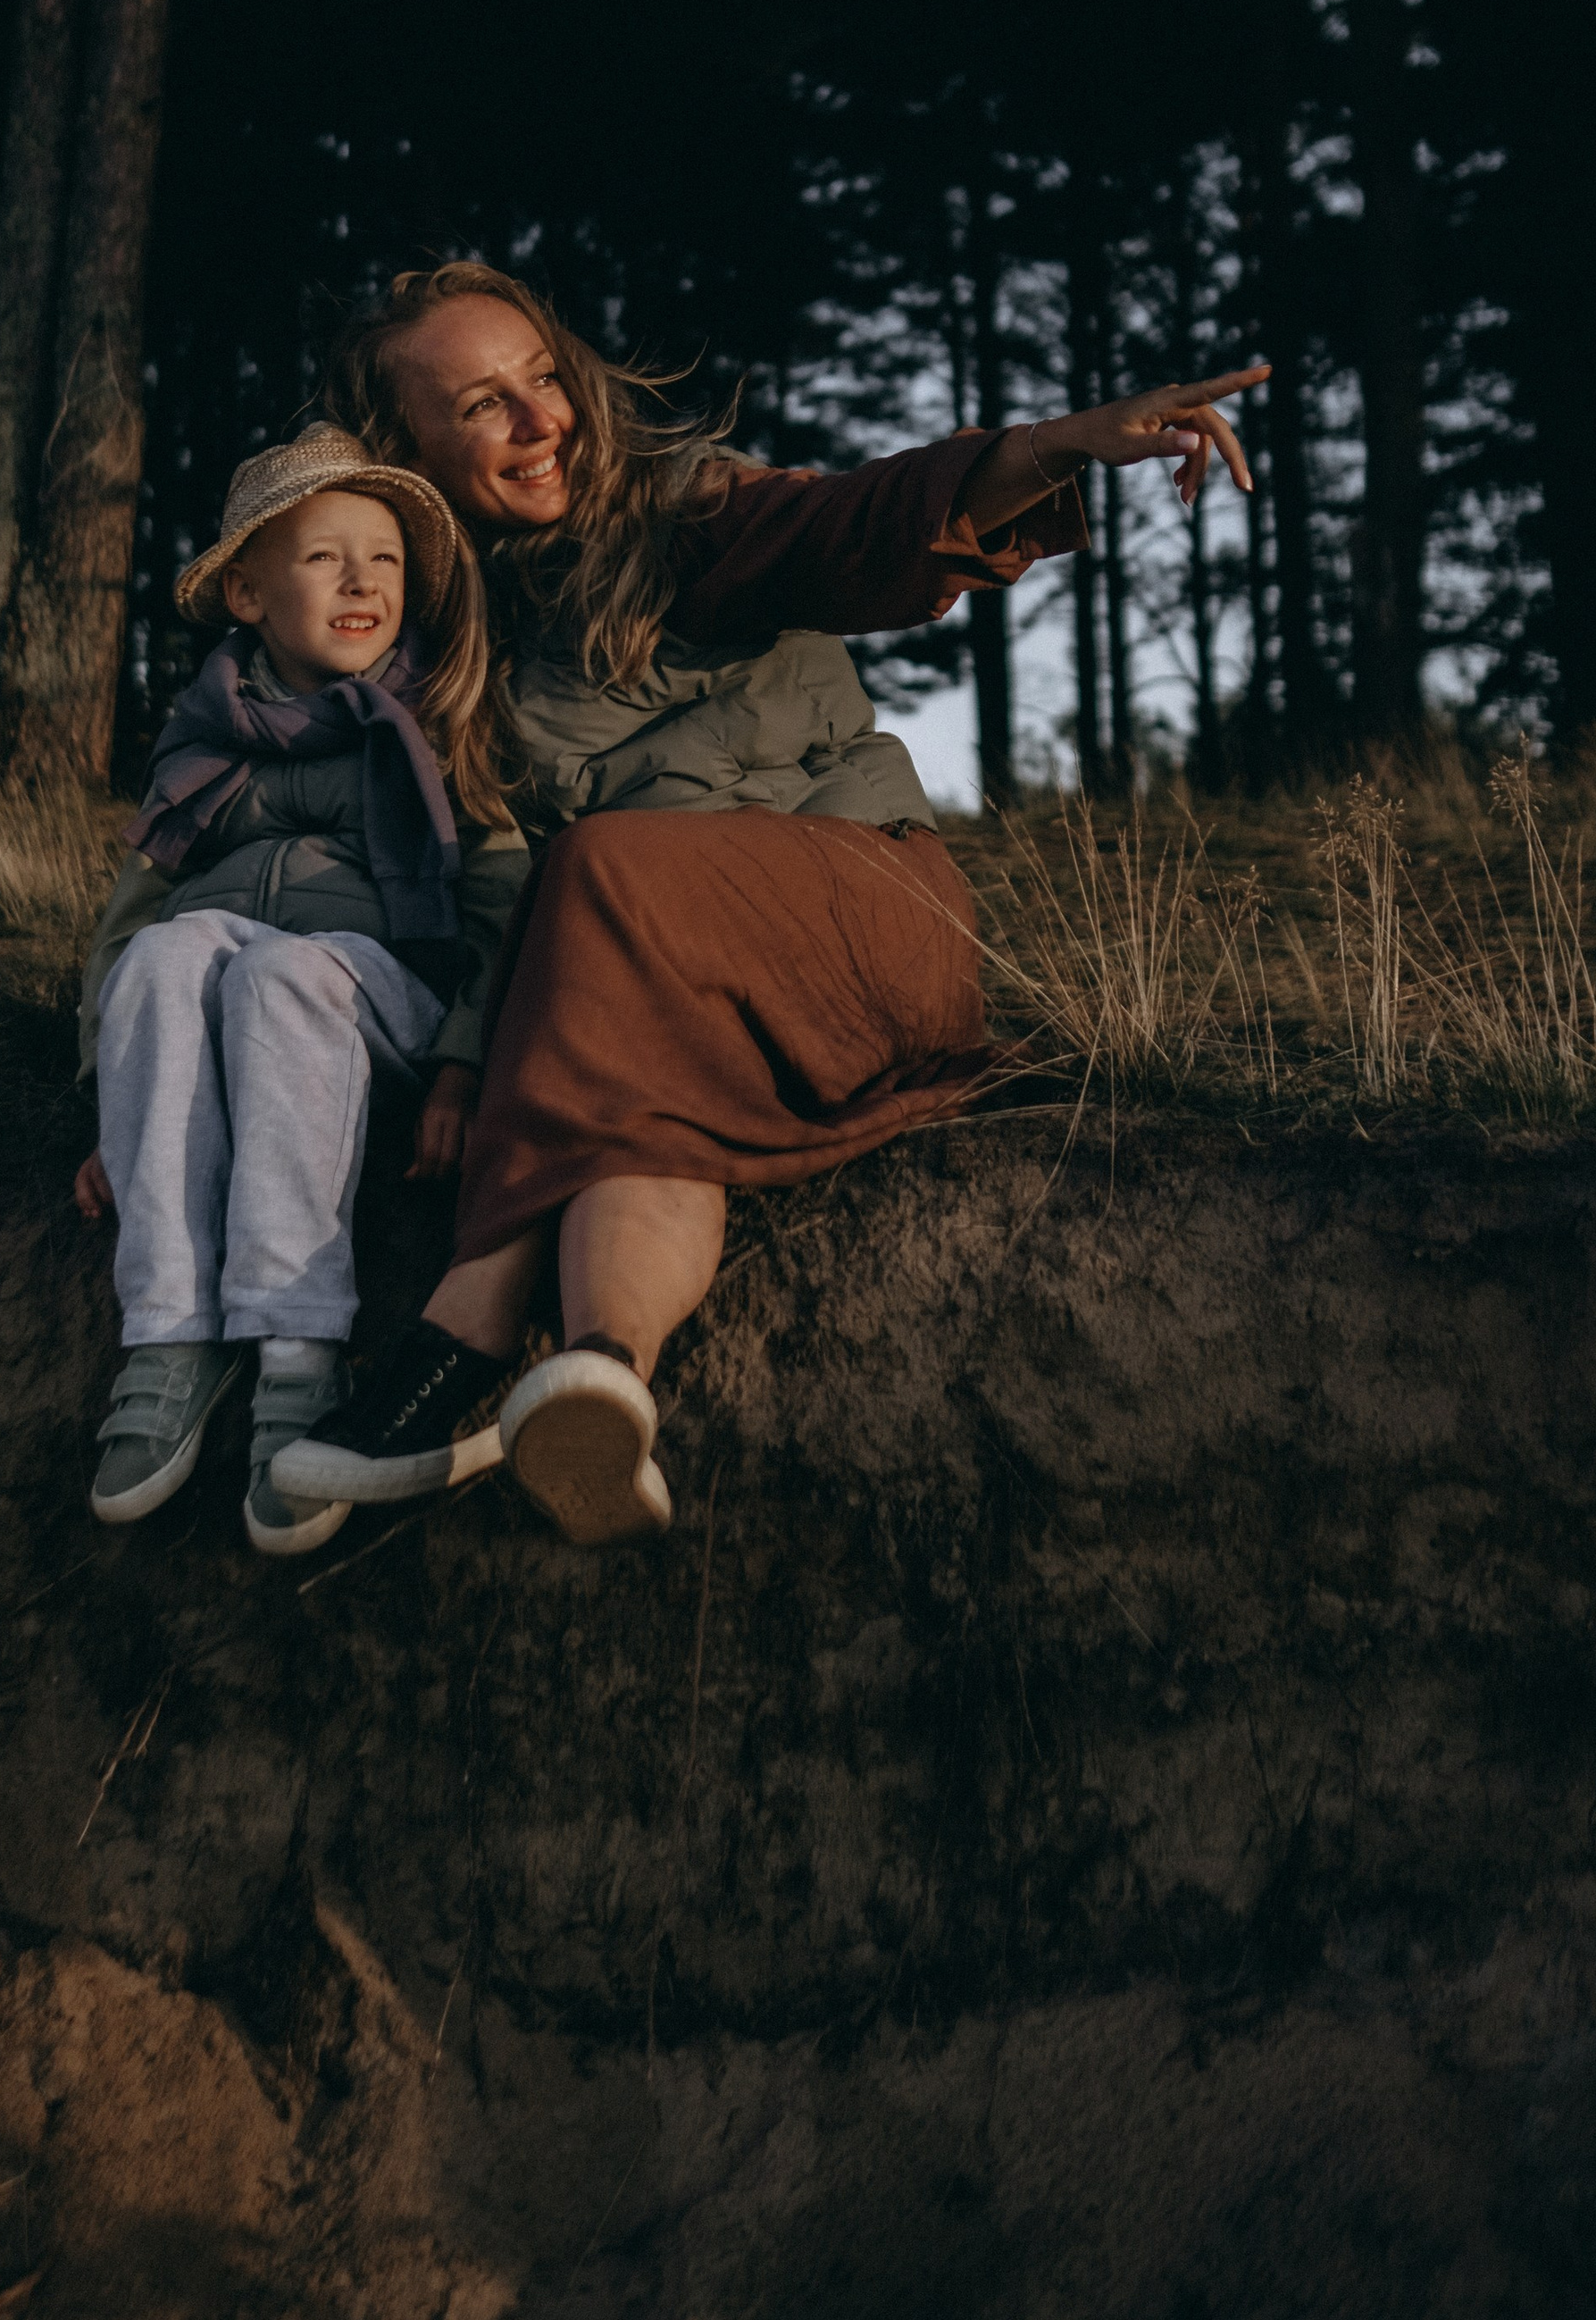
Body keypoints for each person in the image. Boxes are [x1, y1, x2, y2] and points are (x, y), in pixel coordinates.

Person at [272, 263, 1266, 1547]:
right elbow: (488, 881)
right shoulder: (441, 655)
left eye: (543, 380)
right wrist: (459, 1053)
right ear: (406, 450)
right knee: (633, 1129)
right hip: (663, 988)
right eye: (483, 405)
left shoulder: (687, 513)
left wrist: (1043, 450)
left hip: (864, 926)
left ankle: (459, 1338)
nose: (541, 420)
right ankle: (602, 1380)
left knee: (606, 868)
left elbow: (849, 528)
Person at [72, 423, 527, 1555]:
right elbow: (127, 922)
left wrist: (465, 1061)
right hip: (228, 993)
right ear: (246, 591)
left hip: (378, 997)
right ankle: (171, 1337)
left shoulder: (438, 720)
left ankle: (297, 1353)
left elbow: (499, 899)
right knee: (166, 955)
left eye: (385, 559)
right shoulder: (200, 738)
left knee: (280, 972)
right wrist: (108, 1109)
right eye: (325, 557)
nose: (365, 579)